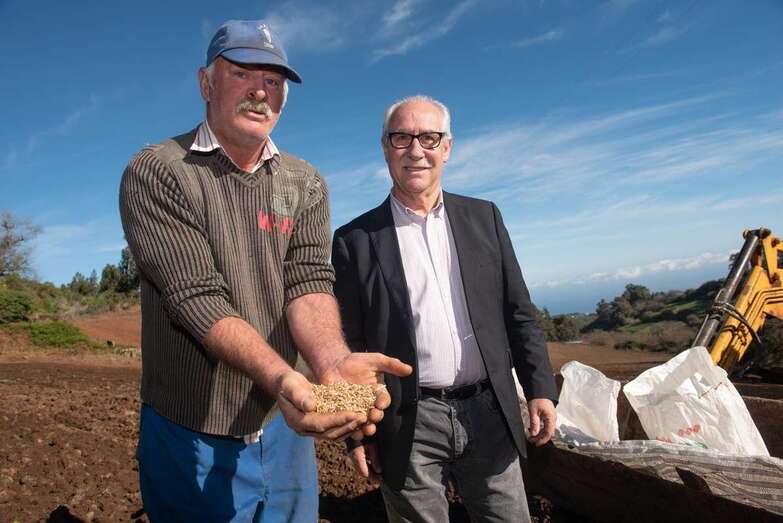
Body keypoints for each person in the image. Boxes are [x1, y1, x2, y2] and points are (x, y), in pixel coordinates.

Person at [119, 20, 411, 522]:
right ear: (206, 83)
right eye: (242, 74)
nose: (261, 91)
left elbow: (308, 283)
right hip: (192, 425)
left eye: (274, 82)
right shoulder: (160, 170)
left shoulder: (304, 182)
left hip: (282, 426)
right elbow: (196, 296)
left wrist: (331, 363)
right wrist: (283, 379)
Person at [332, 95, 558, 522]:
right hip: (405, 423)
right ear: (385, 147)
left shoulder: (485, 217)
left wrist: (541, 388)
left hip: (490, 411)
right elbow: (346, 346)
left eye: (429, 138)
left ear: (447, 148)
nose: (416, 150)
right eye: (402, 138)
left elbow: (519, 311)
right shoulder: (354, 240)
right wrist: (355, 432)